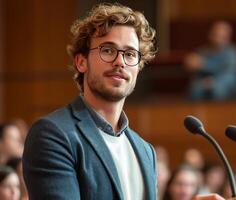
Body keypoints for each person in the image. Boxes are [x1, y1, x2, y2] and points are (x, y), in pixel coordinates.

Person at [22, 3, 157, 199]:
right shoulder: (53, 135)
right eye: (108, 50)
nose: (120, 62)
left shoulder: (146, 151)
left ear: (139, 67)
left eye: (129, 54)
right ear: (81, 62)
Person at [184, 20, 236, 101]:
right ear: (210, 35)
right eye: (216, 34)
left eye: (223, 36)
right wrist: (190, 65)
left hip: (224, 83)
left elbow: (230, 73)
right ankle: (197, 112)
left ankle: (221, 112)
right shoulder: (202, 51)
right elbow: (194, 71)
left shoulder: (232, 52)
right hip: (204, 82)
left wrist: (204, 66)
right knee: (196, 88)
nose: (219, 38)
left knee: (219, 88)